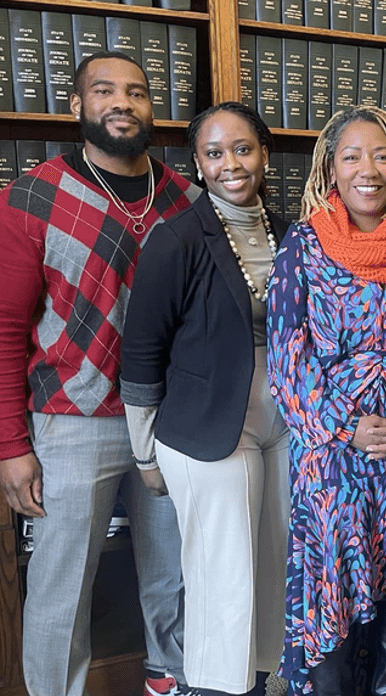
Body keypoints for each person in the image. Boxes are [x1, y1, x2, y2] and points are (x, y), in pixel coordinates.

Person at [0, 51, 198, 696]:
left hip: (170, 421)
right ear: (77, 105)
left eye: (137, 92)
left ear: (152, 108)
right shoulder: (31, 197)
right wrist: (11, 447)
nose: (122, 102)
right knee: (60, 585)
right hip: (71, 422)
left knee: (178, 572)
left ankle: (172, 681)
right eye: (104, 90)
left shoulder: (187, 199)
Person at [267, 106, 386, 696]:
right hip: (331, 457)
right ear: (332, 168)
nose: (368, 170)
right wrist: (344, 426)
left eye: (381, 156)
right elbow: (287, 355)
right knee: (335, 588)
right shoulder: (303, 244)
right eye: (352, 156)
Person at [120, 101, 288, 696]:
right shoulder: (176, 238)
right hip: (207, 425)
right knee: (225, 578)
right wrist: (144, 454)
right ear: (197, 163)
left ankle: (259, 683)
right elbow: (141, 351)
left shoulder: (293, 233)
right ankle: (217, 689)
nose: (230, 164)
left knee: (277, 566)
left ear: (264, 153)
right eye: (214, 153)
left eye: (242, 149)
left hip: (286, 422)